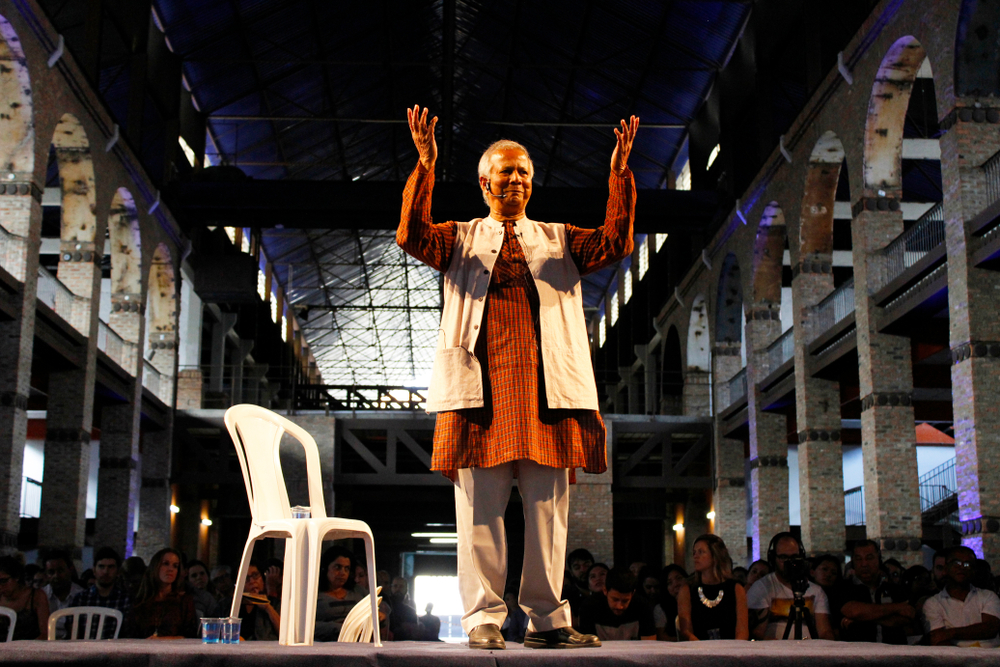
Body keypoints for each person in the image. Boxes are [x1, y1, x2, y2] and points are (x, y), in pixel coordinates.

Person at [398, 105, 638, 651]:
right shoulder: (460, 238)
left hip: (547, 393)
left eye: (524, 171)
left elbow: (616, 242)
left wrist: (619, 174)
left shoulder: (558, 238)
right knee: (479, 512)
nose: (516, 179)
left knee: (548, 513)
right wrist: (426, 164)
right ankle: (483, 617)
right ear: (485, 182)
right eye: (505, 171)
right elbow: (411, 234)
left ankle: (547, 620)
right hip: (480, 396)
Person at [746, 532, 834, 640]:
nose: (790, 562)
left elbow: (824, 631)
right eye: (783, 557)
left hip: (809, 649)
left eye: (794, 557)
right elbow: (758, 634)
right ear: (773, 558)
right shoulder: (762, 588)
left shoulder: (816, 591)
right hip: (775, 649)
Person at [922, 545, 1000, 647]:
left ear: (974, 570)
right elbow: (938, 639)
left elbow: (990, 628)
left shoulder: (988, 596)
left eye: (967, 564)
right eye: (956, 563)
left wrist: (951, 633)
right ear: (946, 569)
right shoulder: (933, 603)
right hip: (953, 657)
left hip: (990, 656)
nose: (962, 567)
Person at [839, 540, 913, 644]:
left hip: (894, 651)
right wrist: (897, 607)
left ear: (878, 559)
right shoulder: (843, 588)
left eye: (869, 558)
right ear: (853, 562)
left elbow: (907, 615)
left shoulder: (894, 588)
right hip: (858, 651)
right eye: (859, 559)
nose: (864, 564)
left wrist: (861, 619)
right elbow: (853, 611)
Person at [676, 534, 748, 640]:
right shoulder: (688, 590)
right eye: (694, 552)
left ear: (715, 555)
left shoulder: (736, 589)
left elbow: (742, 630)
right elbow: (686, 631)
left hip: (731, 647)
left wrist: (734, 648)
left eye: (701, 552)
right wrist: (701, 647)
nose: (695, 556)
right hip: (698, 647)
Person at [121, 548, 198, 639]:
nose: (170, 569)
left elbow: (190, 635)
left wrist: (162, 640)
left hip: (174, 647)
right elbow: (130, 635)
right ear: (156, 566)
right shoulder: (140, 601)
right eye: (166, 564)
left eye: (175, 566)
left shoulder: (184, 601)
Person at [67, 546, 130, 638]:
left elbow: (128, 634)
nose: (105, 571)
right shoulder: (81, 599)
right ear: (94, 570)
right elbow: (73, 633)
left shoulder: (125, 600)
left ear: (117, 571)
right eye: (101, 566)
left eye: (111, 567)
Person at [579, 570, 655, 641]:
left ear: (633, 594)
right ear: (605, 590)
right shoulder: (589, 607)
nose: (619, 606)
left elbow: (649, 644)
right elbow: (586, 645)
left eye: (625, 601)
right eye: (615, 600)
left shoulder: (643, 606)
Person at [314, 546, 367, 641]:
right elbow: (304, 626)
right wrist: (337, 627)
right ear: (325, 568)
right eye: (337, 567)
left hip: (357, 642)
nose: (343, 573)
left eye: (347, 568)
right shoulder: (314, 594)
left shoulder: (358, 591)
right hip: (324, 643)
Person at [0, 555, 50, 640]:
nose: (0, 587)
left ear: (16, 577)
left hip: (31, 645)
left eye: (3, 581)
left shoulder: (36, 596)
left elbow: (45, 633)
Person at [237, 563, 280, 641]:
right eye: (246, 578)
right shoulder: (229, 605)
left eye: (255, 575)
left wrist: (268, 608)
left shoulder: (274, 603)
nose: (252, 581)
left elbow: (284, 633)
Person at [654, 564, 687, 641]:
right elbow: (661, 637)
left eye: (679, 578)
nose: (676, 584)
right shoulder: (661, 609)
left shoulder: (697, 600)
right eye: (669, 583)